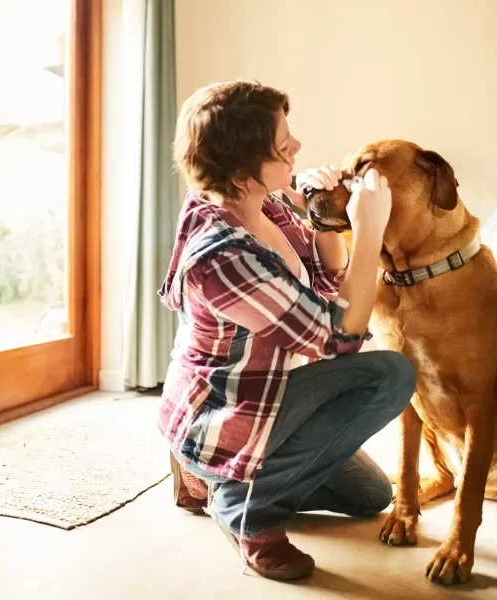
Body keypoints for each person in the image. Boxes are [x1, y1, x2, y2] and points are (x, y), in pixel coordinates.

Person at [158, 80, 417, 581]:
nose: (297, 146)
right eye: (282, 142)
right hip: (228, 409)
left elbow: (324, 282)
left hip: (271, 395)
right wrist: (368, 233)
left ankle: (210, 480)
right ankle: (243, 506)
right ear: (241, 163)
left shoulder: (263, 204)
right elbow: (339, 335)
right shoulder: (222, 255)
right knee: (390, 375)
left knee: (373, 496)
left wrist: (324, 221)